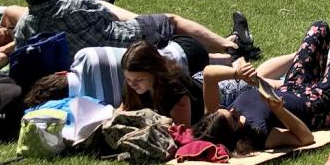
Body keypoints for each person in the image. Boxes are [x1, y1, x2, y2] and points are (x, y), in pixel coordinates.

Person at [191, 21, 330, 154]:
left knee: (319, 28)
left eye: (228, 110)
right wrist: (279, 109)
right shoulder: (257, 134)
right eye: (234, 119)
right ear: (233, 134)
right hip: (320, 104)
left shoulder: (216, 114)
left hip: (293, 86)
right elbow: (306, 138)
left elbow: (208, 74)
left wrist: (238, 74)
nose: (235, 111)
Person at [12, 0, 253, 58]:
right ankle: (230, 46)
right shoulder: (76, 4)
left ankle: (229, 49)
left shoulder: (24, 26)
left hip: (81, 60)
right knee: (171, 21)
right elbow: (111, 17)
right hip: (123, 40)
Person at [22, 40, 214, 108]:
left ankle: (233, 53)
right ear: (61, 73)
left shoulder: (96, 103)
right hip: (181, 47)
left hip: (188, 66)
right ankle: (231, 47)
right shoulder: (84, 56)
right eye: (130, 80)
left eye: (137, 80)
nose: (133, 84)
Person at [120, 41, 204, 126]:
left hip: (211, 92)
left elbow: (182, 133)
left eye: (139, 80)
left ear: (155, 72)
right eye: (128, 79)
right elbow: (122, 112)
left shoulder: (174, 90)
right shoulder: (131, 87)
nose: (133, 85)